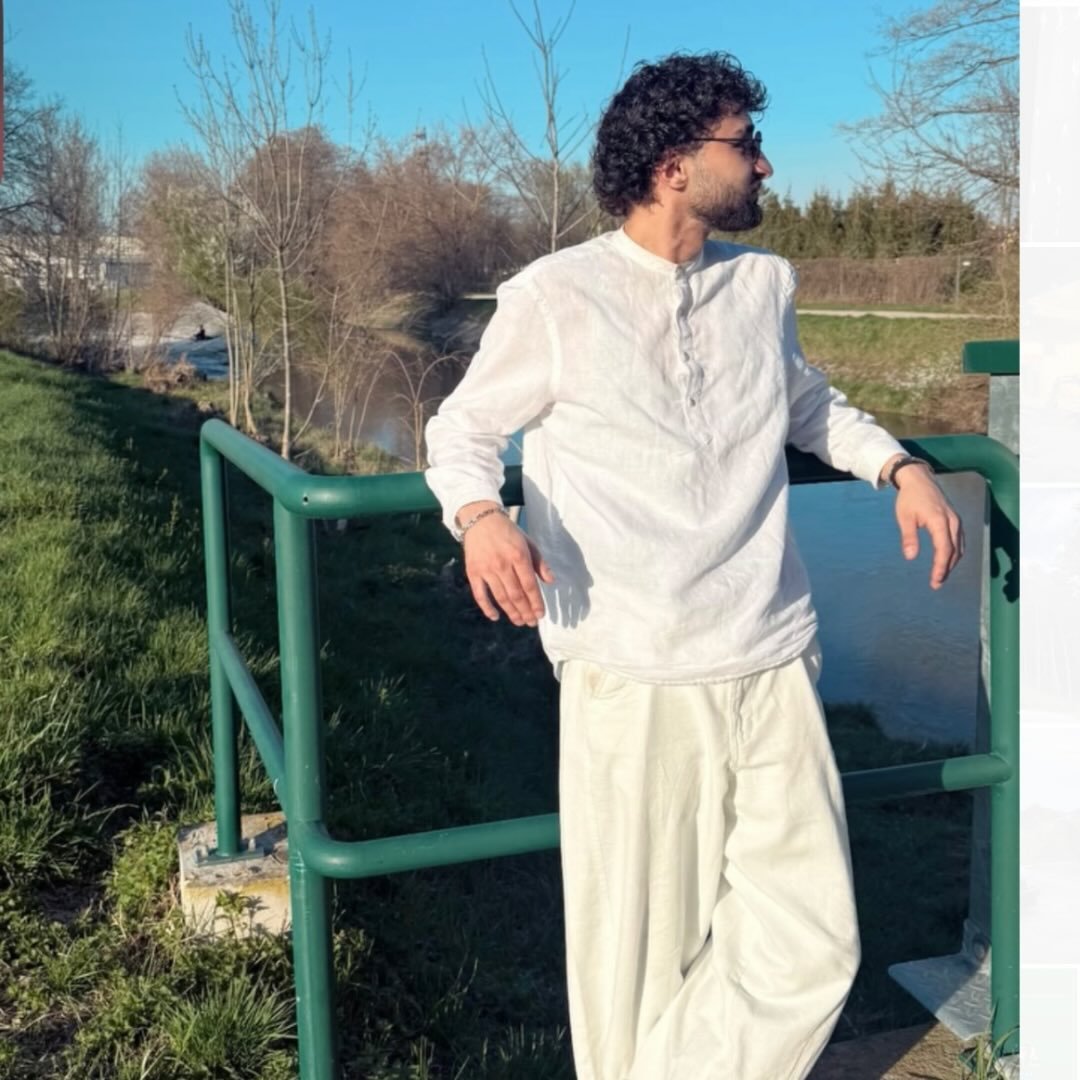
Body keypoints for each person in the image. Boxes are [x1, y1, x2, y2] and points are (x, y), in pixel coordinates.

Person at [424, 51, 963, 1080]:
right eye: (745, 144)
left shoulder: (762, 283)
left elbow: (805, 403)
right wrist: (482, 515)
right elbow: (462, 428)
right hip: (634, 667)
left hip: (771, 648)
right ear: (673, 165)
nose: (764, 164)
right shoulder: (557, 295)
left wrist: (897, 465)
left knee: (812, 944)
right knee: (634, 961)